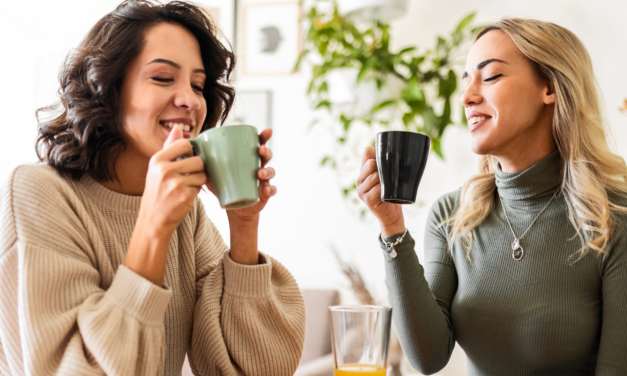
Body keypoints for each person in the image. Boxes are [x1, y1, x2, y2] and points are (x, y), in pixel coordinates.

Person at [0, 1, 305, 375]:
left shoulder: (187, 213)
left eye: (198, 84)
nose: (191, 100)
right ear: (107, 88)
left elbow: (253, 369)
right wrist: (153, 227)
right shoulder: (40, 193)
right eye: (163, 78)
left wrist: (243, 225)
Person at [357, 18, 627, 375]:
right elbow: (427, 357)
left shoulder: (613, 218)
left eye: (492, 76)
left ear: (549, 88)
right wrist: (392, 227)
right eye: (467, 79)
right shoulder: (452, 215)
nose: (467, 96)